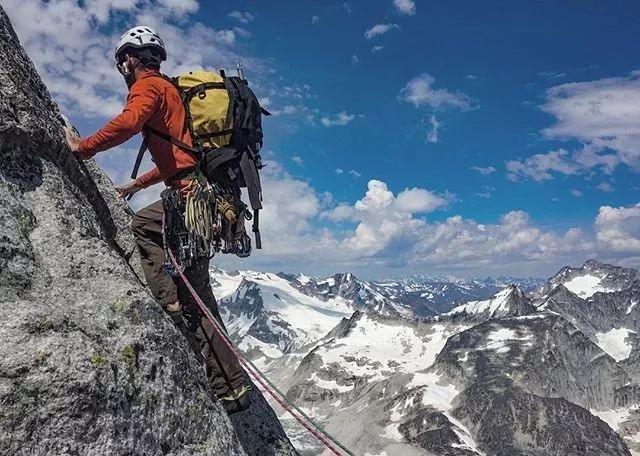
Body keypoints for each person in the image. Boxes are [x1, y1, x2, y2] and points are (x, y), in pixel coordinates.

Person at [64, 26, 251, 414]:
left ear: (129, 59)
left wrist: (82, 148)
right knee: (195, 287)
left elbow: (129, 123)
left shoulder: (147, 87)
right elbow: (183, 159)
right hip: (203, 197)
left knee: (179, 276)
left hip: (190, 201)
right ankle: (228, 378)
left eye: (123, 61)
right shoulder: (170, 91)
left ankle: (176, 317)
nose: (124, 67)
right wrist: (137, 184)